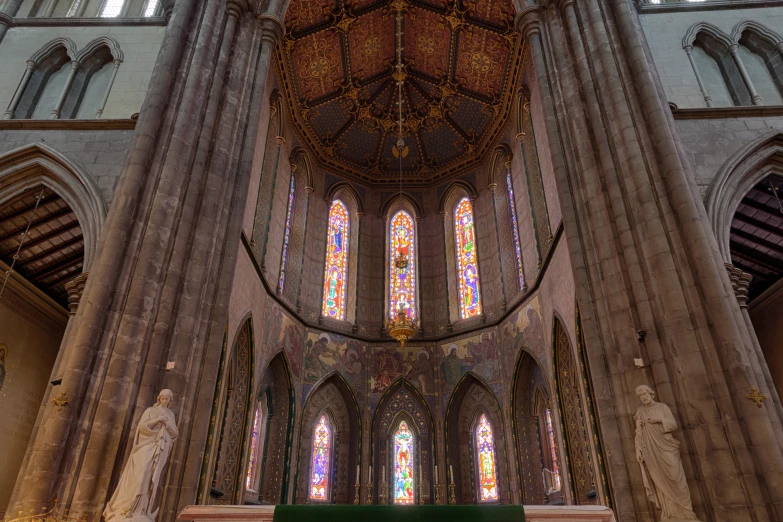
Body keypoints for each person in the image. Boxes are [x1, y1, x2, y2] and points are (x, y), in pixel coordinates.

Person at [103, 390, 179, 522]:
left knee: (150, 477)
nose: (165, 401)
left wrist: (167, 424)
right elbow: (142, 428)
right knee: (141, 473)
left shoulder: (170, 414)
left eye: (167, 399)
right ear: (159, 398)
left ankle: (142, 509)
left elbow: (174, 434)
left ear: (170, 400)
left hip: (160, 449)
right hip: (146, 446)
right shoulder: (150, 410)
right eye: (163, 398)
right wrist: (158, 419)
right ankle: (127, 507)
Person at [634, 385, 700, 522]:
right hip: (651, 450)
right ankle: (670, 515)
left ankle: (687, 513)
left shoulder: (662, 407)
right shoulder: (640, 412)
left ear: (651, 394)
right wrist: (638, 448)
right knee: (659, 482)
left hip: (666, 447)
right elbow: (638, 433)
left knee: (677, 478)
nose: (643, 397)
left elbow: (673, 425)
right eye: (640, 396)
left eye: (645, 394)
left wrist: (659, 420)